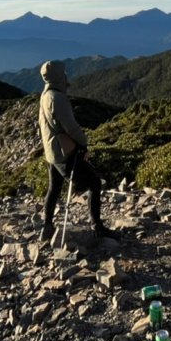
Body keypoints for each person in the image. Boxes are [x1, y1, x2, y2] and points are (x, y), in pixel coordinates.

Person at [36, 59, 119, 243]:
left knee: (54, 188)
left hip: (51, 153)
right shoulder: (57, 98)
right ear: (58, 76)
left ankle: (47, 227)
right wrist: (83, 142)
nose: (66, 75)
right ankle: (97, 227)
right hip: (64, 153)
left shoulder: (45, 95)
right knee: (94, 183)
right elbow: (71, 127)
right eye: (63, 73)